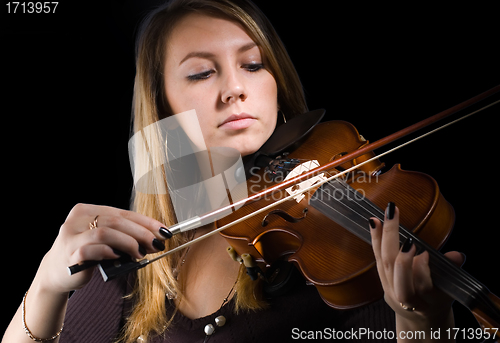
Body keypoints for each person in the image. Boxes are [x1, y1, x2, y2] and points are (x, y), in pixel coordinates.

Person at [3, 0, 466, 342]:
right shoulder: (139, 261)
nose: (236, 89)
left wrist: (422, 326)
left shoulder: (343, 246)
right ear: (162, 109)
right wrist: (46, 280)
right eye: (202, 73)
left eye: (252, 64)